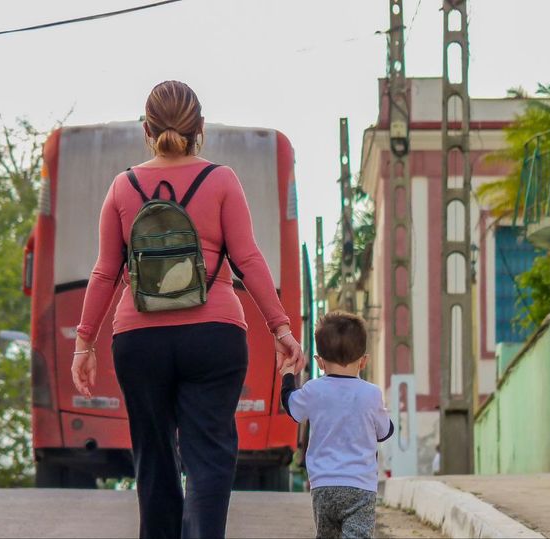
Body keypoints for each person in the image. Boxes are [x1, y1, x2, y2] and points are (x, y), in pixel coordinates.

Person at [71, 80, 305, 539]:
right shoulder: (220, 180)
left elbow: (104, 273)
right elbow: (249, 259)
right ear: (201, 129)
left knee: (154, 460)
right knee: (210, 458)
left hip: (138, 339)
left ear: (146, 129)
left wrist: (84, 343)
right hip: (214, 336)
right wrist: (282, 329)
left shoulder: (123, 187)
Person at [280, 311, 393, 539]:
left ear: (319, 362)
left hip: (324, 485)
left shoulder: (313, 390)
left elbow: (292, 406)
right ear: (364, 361)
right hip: (361, 487)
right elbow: (385, 431)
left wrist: (288, 375)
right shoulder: (371, 394)